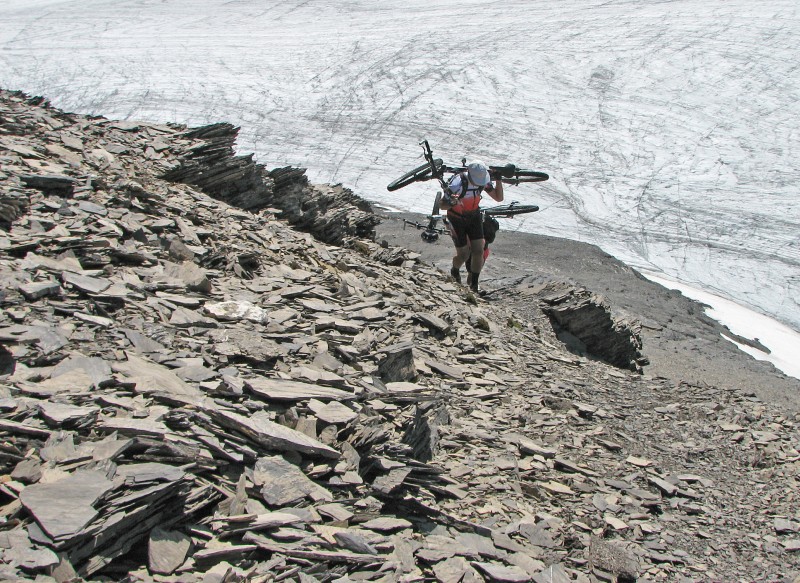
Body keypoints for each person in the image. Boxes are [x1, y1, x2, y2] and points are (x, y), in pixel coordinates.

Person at [439, 160, 504, 294]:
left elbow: (498, 198)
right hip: (456, 219)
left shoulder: (482, 182)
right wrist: (451, 201)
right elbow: (442, 205)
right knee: (463, 255)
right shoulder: (457, 183)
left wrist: (498, 180)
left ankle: (474, 285)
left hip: (474, 216)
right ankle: (455, 270)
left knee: (478, 251)